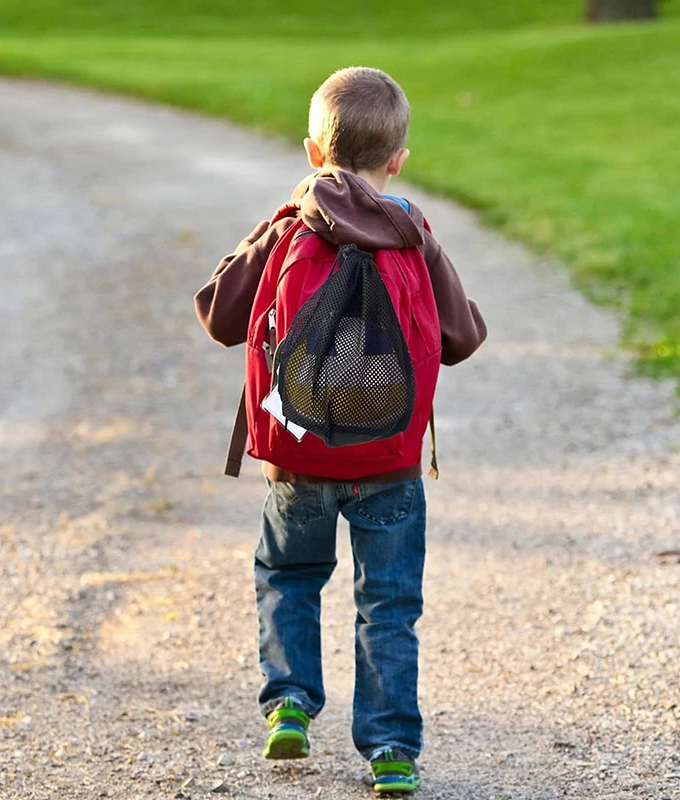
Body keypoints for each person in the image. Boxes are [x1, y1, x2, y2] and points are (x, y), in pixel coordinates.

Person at [194, 66, 486, 794]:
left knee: (289, 576)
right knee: (387, 604)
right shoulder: (411, 229)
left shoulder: (293, 225)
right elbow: (463, 336)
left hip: (298, 459)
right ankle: (390, 750)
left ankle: (290, 702)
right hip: (389, 462)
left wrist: (280, 219)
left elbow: (218, 314)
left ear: (311, 154)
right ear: (399, 160)